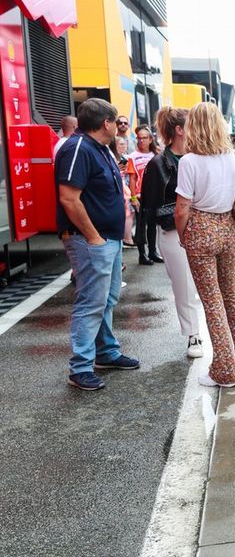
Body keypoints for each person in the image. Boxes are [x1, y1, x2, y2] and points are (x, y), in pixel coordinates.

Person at [56, 98, 141, 390]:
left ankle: (106, 352)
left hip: (107, 239)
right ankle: (80, 367)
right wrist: (93, 236)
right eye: (115, 121)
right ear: (105, 123)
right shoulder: (78, 148)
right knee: (91, 302)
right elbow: (68, 197)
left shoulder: (98, 148)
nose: (119, 126)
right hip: (90, 240)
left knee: (106, 299)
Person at [174, 102, 235, 388]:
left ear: (193, 127)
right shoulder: (234, 156)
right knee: (231, 294)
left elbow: (182, 208)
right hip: (227, 227)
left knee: (211, 302)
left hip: (201, 228)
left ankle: (224, 370)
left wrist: (184, 236)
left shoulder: (189, 161)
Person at [141, 106, 203, 359]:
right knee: (184, 285)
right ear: (179, 130)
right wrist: (180, 213)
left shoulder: (200, 156)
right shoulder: (158, 163)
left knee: (202, 285)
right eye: (191, 125)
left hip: (201, 229)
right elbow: (149, 205)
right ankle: (193, 334)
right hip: (172, 231)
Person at [126, 125, 161, 265]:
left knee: (153, 225)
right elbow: (132, 179)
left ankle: (153, 252)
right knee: (141, 226)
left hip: (154, 196)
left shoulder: (156, 155)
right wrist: (133, 198)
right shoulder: (132, 157)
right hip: (140, 197)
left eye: (144, 138)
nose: (141, 141)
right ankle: (142, 255)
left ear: (151, 139)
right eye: (139, 138)